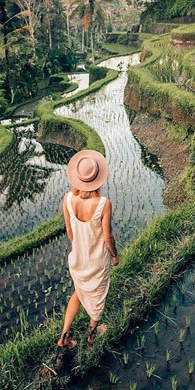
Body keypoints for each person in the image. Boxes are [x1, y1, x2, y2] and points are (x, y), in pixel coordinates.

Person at [57, 149, 119, 348]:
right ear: (98, 179)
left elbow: (69, 229)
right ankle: (92, 335)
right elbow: (107, 237)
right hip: (97, 261)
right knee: (97, 298)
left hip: (78, 258)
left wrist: (79, 248)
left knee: (79, 292)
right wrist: (115, 256)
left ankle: (64, 337)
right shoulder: (103, 204)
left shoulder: (67, 199)